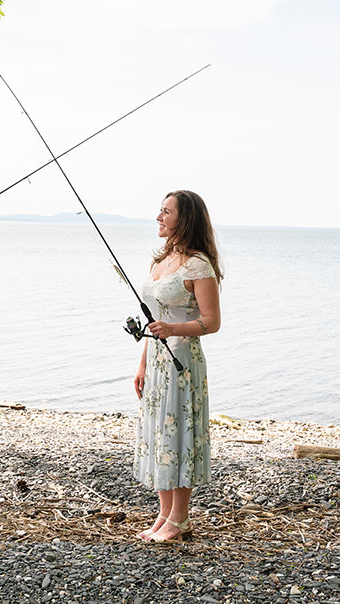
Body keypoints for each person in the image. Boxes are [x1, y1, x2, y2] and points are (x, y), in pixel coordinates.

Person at [133, 189, 223, 542]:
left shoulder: (199, 265)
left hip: (182, 360)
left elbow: (211, 321)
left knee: (179, 433)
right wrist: (141, 364)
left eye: (166, 212)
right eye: (160, 210)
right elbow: (153, 320)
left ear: (183, 218)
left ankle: (180, 518)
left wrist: (173, 329)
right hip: (156, 360)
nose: (158, 217)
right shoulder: (159, 262)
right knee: (158, 434)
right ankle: (164, 515)